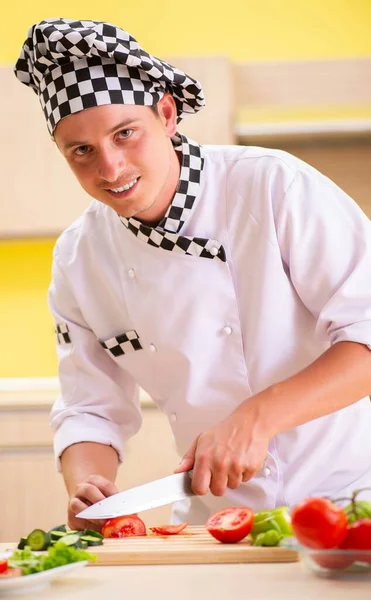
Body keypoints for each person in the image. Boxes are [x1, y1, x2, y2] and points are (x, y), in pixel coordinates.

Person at [15, 17, 371, 531]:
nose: (110, 168)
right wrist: (86, 485)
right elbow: (89, 408)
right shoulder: (80, 258)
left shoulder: (273, 187)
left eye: (125, 134)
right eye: (82, 151)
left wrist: (258, 416)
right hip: (216, 522)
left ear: (166, 113)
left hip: (348, 502)